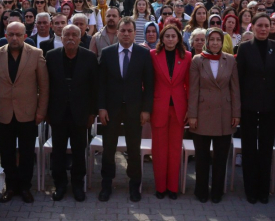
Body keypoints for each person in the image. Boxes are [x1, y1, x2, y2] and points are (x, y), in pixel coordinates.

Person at [0, 21, 48, 203]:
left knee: (28, 152)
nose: (14, 38)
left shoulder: (36, 54)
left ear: (25, 36)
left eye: (18, 35)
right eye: (11, 34)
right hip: (3, 112)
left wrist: (41, 111)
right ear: (5, 36)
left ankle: (25, 187)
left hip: (28, 112)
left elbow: (44, 86)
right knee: (6, 152)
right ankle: (11, 186)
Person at [97, 17, 154, 202]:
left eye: (130, 31)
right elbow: (102, 84)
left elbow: (149, 84)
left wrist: (146, 110)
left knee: (133, 149)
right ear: (118, 32)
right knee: (108, 149)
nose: (127, 34)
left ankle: (134, 185)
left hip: (135, 109)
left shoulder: (143, 54)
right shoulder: (107, 53)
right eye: (123, 31)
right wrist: (102, 108)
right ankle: (106, 184)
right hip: (111, 110)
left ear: (134, 33)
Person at [45, 24, 98, 202]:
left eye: (74, 35)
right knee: (58, 152)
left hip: (80, 113)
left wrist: (92, 113)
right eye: (66, 34)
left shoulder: (90, 57)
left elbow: (94, 88)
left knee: (78, 152)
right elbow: (46, 87)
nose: (70, 38)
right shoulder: (51, 57)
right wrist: (46, 112)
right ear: (61, 37)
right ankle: (59, 185)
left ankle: (77, 185)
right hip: (57, 113)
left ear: (80, 37)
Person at [236, 12, 275, 204]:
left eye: (267, 25)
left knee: (265, 149)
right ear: (253, 27)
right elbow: (239, 79)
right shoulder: (245, 48)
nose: (263, 29)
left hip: (270, 107)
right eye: (260, 26)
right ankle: (250, 190)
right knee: (249, 148)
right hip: (248, 106)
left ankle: (263, 189)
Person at [187, 27, 240, 203]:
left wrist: (236, 113)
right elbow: (193, 90)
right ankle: (201, 191)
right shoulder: (197, 60)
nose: (215, 43)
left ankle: (217, 191)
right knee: (201, 158)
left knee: (220, 157)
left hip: (224, 114)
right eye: (212, 40)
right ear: (207, 42)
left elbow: (235, 90)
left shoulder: (230, 60)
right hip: (202, 113)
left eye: (218, 39)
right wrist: (192, 115)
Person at [150, 25, 191, 199]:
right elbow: (148, 81)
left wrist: (190, 109)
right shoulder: (152, 55)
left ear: (179, 38)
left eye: (174, 36)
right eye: (167, 36)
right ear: (162, 38)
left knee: (175, 150)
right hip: (159, 106)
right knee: (159, 150)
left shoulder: (187, 56)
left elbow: (189, 84)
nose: (170, 39)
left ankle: (173, 187)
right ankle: (160, 187)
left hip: (179, 108)